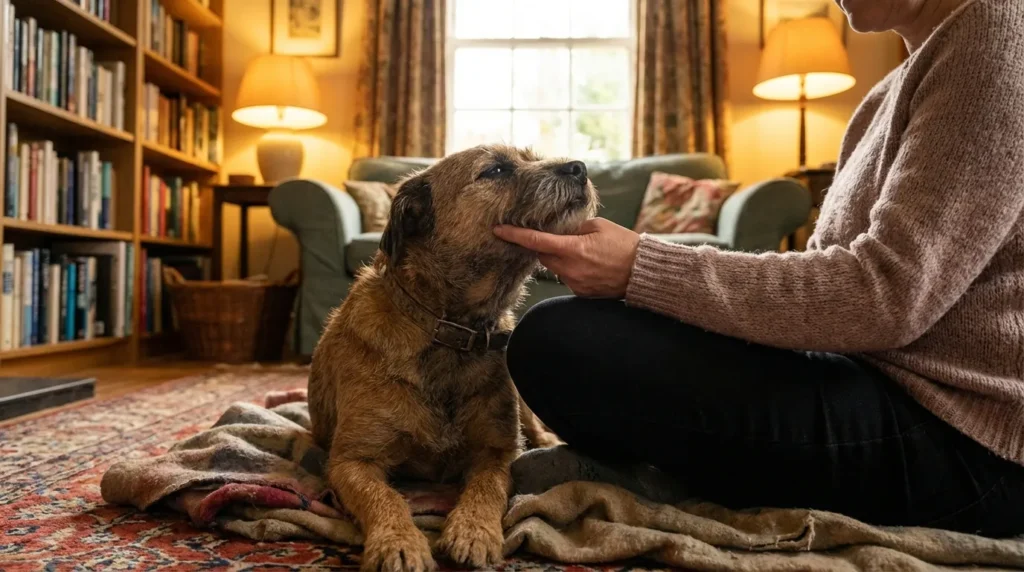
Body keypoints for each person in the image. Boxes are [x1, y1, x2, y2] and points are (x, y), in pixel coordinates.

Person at [493, 0, 1024, 537]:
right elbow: (823, 281)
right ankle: (680, 474)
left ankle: (667, 477)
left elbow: (887, 295)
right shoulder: (886, 94)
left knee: (560, 339)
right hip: (868, 378)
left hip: (965, 441)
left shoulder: (993, 33)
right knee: (569, 335)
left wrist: (641, 267)